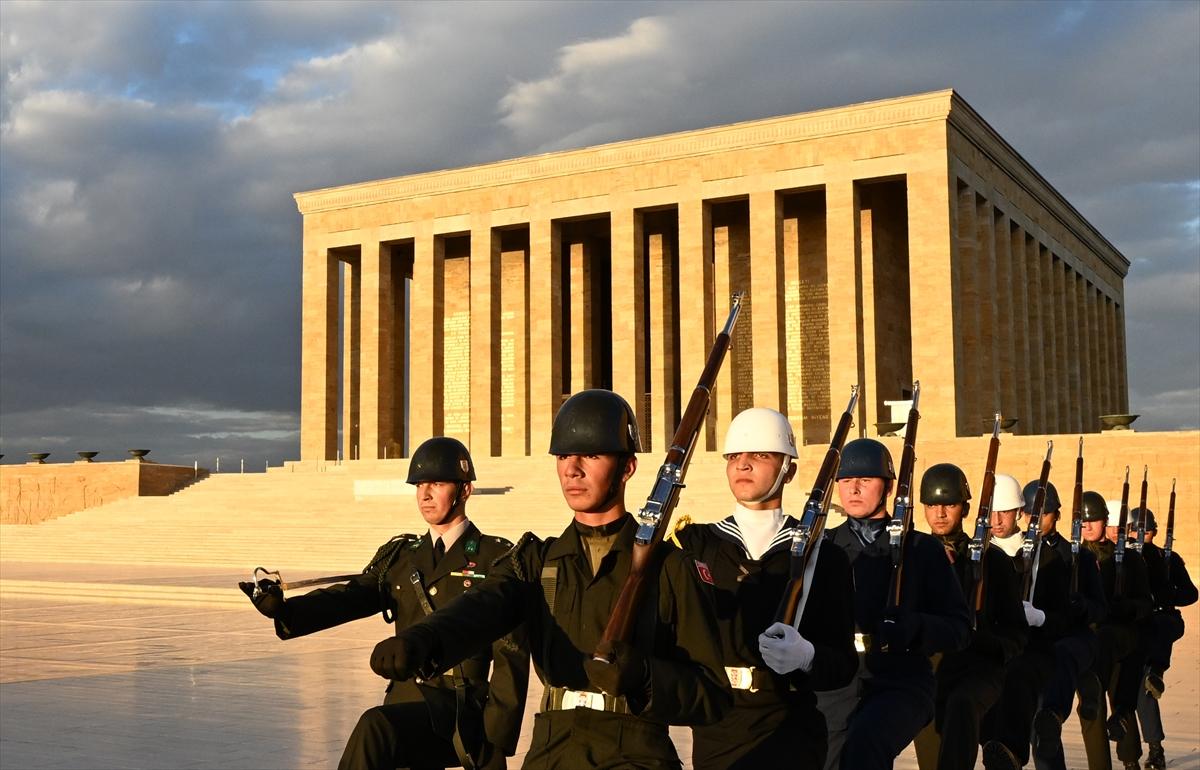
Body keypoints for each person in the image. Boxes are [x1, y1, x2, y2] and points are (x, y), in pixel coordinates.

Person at [366, 389, 732, 769]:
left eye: (591, 455)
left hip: (635, 748)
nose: (572, 469)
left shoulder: (670, 567)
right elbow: (481, 606)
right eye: (563, 456)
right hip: (552, 747)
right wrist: (424, 639)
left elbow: (713, 695)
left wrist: (647, 676)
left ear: (627, 468)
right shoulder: (536, 560)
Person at [239, 436, 529, 770]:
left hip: (461, 708)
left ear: (465, 490)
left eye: (437, 482)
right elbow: (350, 597)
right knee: (382, 730)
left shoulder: (495, 558)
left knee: (374, 728)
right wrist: (288, 610)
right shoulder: (402, 557)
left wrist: (496, 740)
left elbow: (512, 650)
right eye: (419, 484)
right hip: (406, 702)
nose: (425, 494)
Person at [669, 407, 857, 769]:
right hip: (720, 728)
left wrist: (808, 656)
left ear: (789, 470)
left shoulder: (824, 555)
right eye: (734, 456)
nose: (743, 465)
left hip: (791, 727)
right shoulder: (694, 544)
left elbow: (843, 664)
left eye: (760, 455)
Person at [817, 438, 971, 770]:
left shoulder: (922, 549)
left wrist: (914, 627)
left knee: (866, 746)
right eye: (845, 481)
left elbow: (959, 628)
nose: (853, 489)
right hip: (838, 682)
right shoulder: (825, 548)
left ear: (888, 488)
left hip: (901, 680)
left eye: (865, 480)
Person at [982, 479, 1106, 770]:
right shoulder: (1014, 554)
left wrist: (1076, 607)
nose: (1035, 521)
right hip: (1024, 647)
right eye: (1030, 515)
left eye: (1044, 514)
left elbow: (1099, 609)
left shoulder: (1073, 557)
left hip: (1060, 644)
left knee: (1044, 732)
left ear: (1057, 515)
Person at [912, 464, 1026, 770]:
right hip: (930, 672)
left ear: (965, 507)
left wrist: (986, 642)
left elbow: (1017, 634)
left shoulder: (993, 560)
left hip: (978, 671)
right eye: (932, 505)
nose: (939, 514)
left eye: (949, 504)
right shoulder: (912, 557)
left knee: (962, 704)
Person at [1115, 506, 1197, 770]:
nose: (1141, 536)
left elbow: (1190, 594)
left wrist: (1164, 595)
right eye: (1136, 531)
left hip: (1157, 627)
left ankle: (1155, 750)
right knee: (1128, 695)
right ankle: (1132, 756)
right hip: (1130, 630)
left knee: (1144, 692)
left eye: (1147, 531)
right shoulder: (1123, 558)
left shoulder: (1167, 558)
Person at [1076, 494, 1153, 770]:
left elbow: (1146, 604)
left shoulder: (1129, 559)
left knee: (1119, 699)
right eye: (1082, 521)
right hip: (1089, 641)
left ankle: (1130, 759)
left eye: (1092, 520)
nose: (1086, 526)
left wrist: (1127, 607)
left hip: (1120, 638)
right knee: (1091, 704)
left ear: (1104, 521)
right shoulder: (1073, 559)